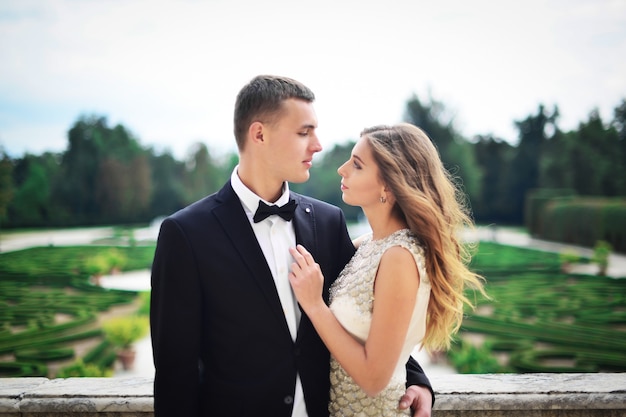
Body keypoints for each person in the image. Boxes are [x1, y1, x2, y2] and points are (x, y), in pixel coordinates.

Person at [150, 75, 434, 417]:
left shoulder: (328, 222)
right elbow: (174, 375)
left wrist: (417, 380)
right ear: (259, 135)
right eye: (304, 132)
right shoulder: (186, 234)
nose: (317, 145)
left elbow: (371, 316)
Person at [288, 123, 487, 416]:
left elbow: (374, 378)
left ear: (388, 185)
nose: (342, 170)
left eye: (356, 165)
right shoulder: (368, 245)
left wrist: (316, 305)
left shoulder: (399, 257)